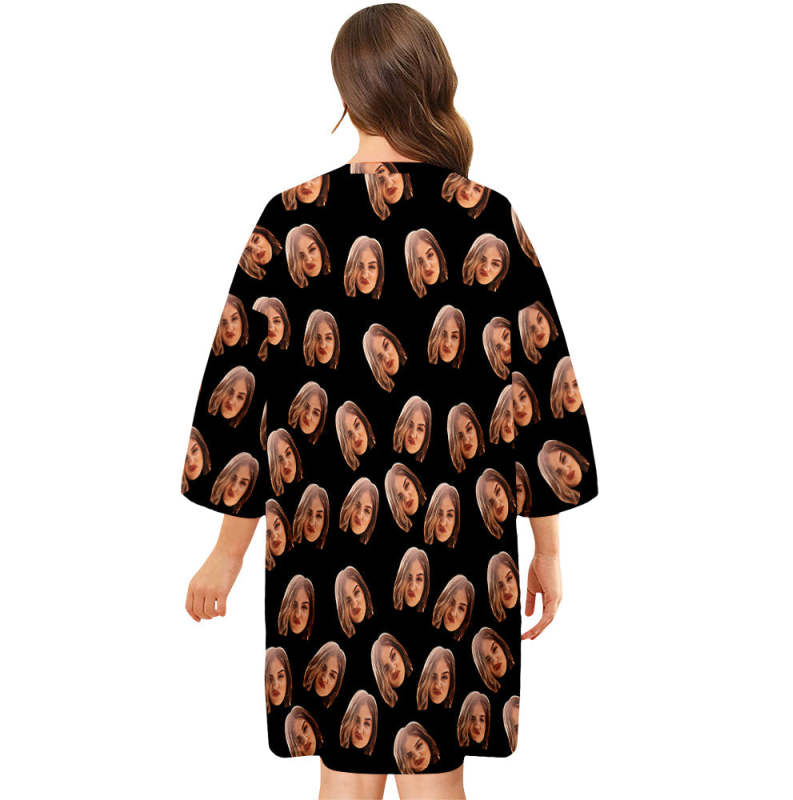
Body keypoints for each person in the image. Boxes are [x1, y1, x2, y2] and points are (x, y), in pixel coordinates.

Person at [179, 4, 599, 799]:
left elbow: (242, 404)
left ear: (349, 92)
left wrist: (226, 555)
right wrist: (548, 547)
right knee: (436, 769)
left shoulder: (291, 219)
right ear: (431, 82)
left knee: (346, 764)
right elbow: (542, 399)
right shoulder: (487, 217)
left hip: (320, 539)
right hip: (463, 539)